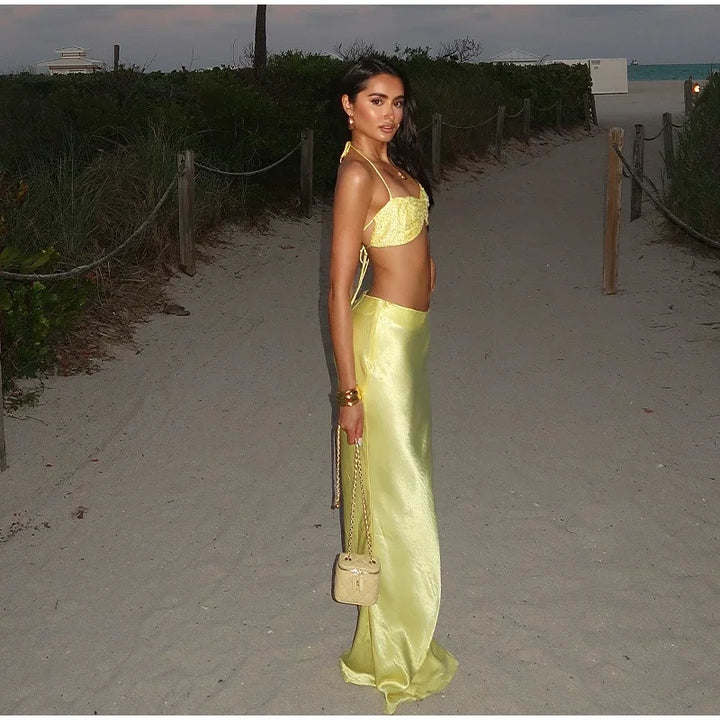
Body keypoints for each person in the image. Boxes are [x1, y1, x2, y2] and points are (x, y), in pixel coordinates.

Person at [327, 56, 458, 714]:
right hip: (380, 349)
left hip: (409, 343)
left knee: (408, 482)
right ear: (348, 106)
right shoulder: (357, 173)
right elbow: (335, 291)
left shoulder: (394, 166)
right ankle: (394, 648)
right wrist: (348, 395)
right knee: (399, 496)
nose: (390, 113)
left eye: (398, 102)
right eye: (376, 100)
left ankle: (403, 632)